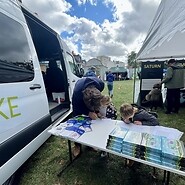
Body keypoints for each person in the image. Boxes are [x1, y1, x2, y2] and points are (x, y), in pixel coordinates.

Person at [72, 76, 104, 156]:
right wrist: (88, 112)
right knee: (77, 123)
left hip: (90, 97)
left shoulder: (101, 84)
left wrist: (96, 111)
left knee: (92, 122)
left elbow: (97, 100)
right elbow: (76, 106)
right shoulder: (78, 92)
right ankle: (77, 145)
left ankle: (90, 142)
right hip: (77, 103)